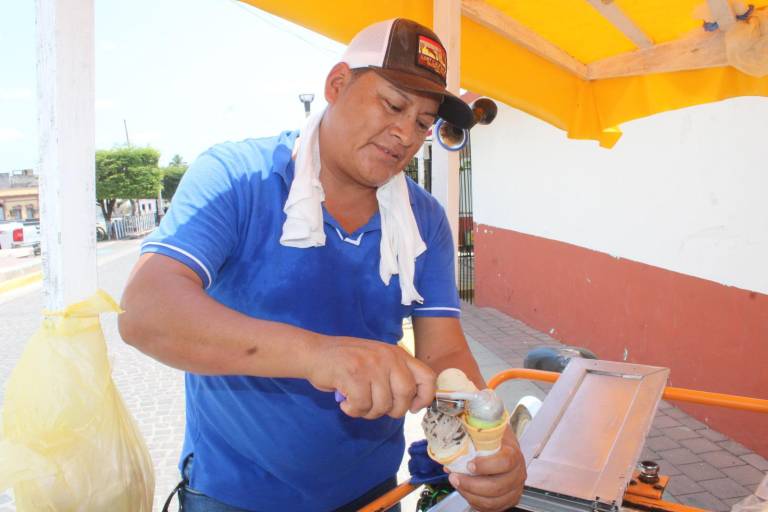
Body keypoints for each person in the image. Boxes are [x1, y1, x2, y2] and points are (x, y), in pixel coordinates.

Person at [119, 18, 525, 512]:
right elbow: (144, 312)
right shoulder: (238, 177)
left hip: (374, 494)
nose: (404, 133)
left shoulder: (425, 219)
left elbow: (444, 354)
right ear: (337, 85)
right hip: (232, 495)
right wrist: (321, 356)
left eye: (423, 122)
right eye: (393, 104)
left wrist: (488, 440)